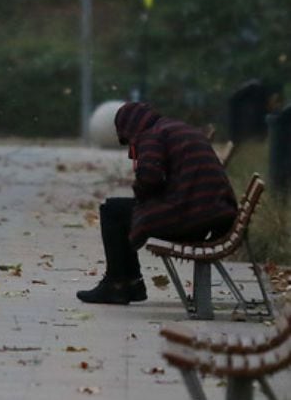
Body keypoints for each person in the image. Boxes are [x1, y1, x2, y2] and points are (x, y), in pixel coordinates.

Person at [76, 102, 238, 305]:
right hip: (210, 212)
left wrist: (141, 196)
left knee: (113, 211)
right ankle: (129, 283)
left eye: (127, 139)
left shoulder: (151, 135)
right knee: (117, 208)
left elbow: (150, 178)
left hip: (194, 216)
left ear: (130, 126)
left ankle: (118, 284)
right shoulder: (169, 128)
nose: (130, 144)